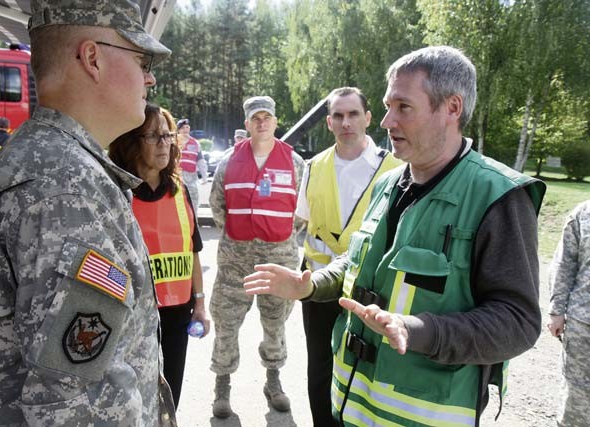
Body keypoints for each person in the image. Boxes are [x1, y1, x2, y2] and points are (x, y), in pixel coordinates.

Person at [244, 46, 546, 426]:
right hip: (350, 408)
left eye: (403, 107)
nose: (387, 121)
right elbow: (359, 261)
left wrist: (420, 331)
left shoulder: (497, 196)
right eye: (388, 106)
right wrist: (312, 285)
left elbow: (518, 322)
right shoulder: (387, 184)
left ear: (452, 108)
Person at [0, 1, 177, 426]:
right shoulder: (64, 186)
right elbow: (78, 406)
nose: (150, 77)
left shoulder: (52, 163)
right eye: (141, 60)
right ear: (93, 58)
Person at [297, 87, 401, 427]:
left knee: (366, 368)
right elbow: (304, 223)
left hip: (370, 292)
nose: (346, 123)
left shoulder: (396, 168)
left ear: (368, 118)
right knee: (320, 368)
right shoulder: (314, 167)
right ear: (329, 122)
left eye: (353, 114)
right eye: (338, 116)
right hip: (318, 287)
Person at [109, 103, 211, 410]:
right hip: (131, 316)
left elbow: (193, 250)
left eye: (167, 135)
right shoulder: (116, 192)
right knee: (132, 403)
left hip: (177, 314)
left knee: (170, 396)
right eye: (153, 136)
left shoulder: (180, 190)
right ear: (132, 142)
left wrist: (200, 304)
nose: (164, 143)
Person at [209, 95, 305, 418]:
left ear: (275, 122)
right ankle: (222, 385)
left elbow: (301, 213)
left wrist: (278, 236)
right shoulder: (228, 162)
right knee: (226, 321)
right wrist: (239, 235)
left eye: (267, 117)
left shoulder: (295, 163)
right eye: (255, 118)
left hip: (279, 259)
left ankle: (273, 381)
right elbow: (218, 205)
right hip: (234, 260)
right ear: (247, 123)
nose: (261, 123)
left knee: (276, 321)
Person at [547, 200, 590, 427]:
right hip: (583, 323)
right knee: (577, 395)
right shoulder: (584, 213)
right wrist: (556, 311)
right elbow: (564, 263)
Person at [177, 118, 207, 209]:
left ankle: (194, 218)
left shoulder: (195, 143)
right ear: (178, 130)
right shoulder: (173, 142)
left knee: (193, 202)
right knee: (178, 203)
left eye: (187, 127)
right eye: (183, 128)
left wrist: (204, 177)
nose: (185, 130)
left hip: (191, 177)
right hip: (177, 176)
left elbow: (200, 161)